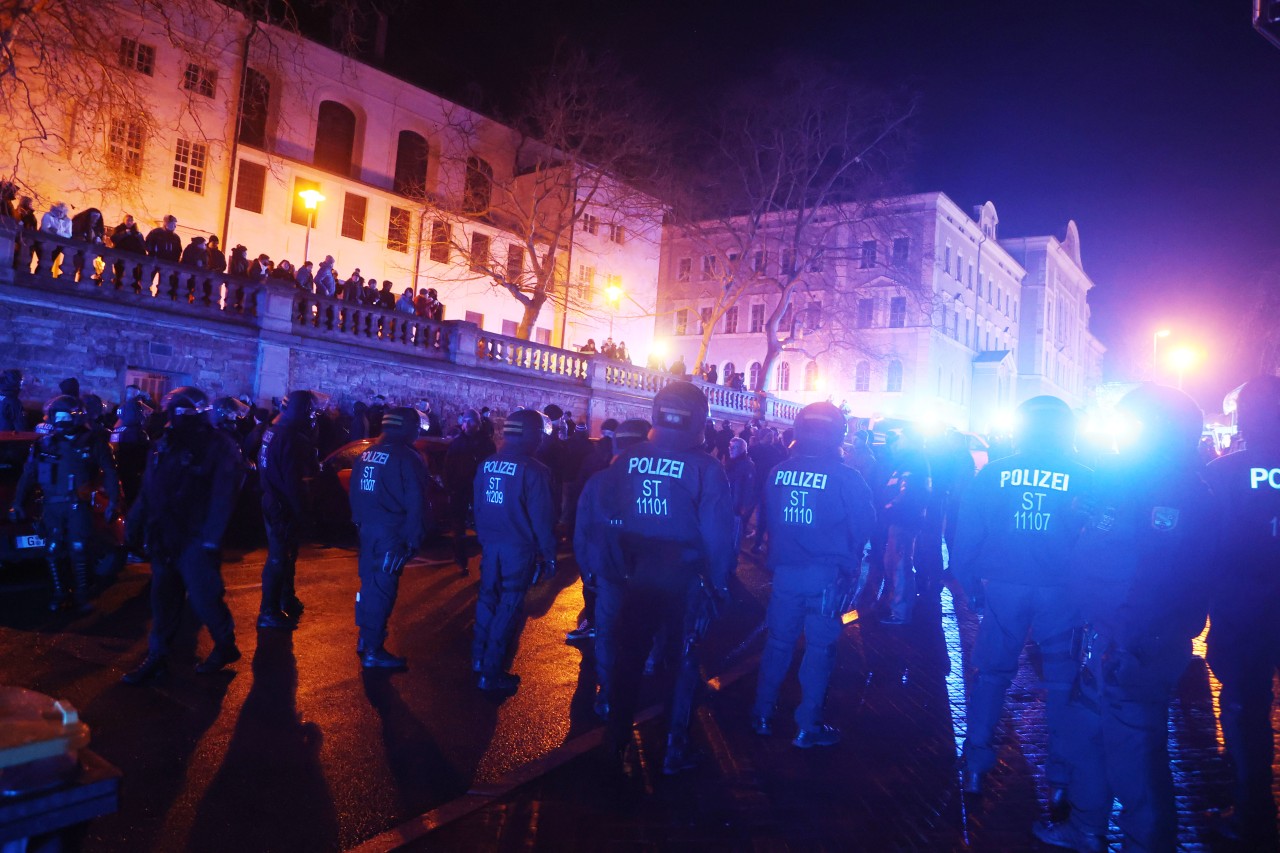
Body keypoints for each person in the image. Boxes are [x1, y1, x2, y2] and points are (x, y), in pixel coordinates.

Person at [1035, 384, 1215, 853]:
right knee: (1088, 739)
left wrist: (1133, 640)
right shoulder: (1131, 478)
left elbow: (1162, 577)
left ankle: (1147, 844)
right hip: (1104, 635)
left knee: (1135, 755)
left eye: (1131, 426)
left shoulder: (1174, 490)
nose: (1121, 436)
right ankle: (1085, 827)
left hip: (1134, 642)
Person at [582, 381, 735, 774]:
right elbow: (718, 536)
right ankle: (673, 750)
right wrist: (718, 585)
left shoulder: (629, 459)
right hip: (685, 579)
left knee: (628, 660)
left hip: (639, 575)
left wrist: (615, 566)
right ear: (699, 419)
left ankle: (613, 742)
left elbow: (609, 519)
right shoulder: (706, 467)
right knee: (680, 664)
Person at [950, 396, 1092, 807]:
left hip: (1004, 586)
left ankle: (976, 761)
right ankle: (1061, 774)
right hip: (1061, 591)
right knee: (1063, 681)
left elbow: (967, 532)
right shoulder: (1084, 476)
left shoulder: (994, 473)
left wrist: (969, 581)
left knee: (992, 674)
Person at [751, 402, 875, 747]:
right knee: (819, 650)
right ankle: (807, 725)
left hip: (785, 572)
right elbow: (866, 526)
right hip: (825, 576)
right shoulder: (846, 477)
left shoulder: (778, 471)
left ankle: (761, 714)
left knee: (777, 643)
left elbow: (769, 517)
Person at [1203, 375, 1280, 849]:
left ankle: (1254, 814)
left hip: (1243, 608)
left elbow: (1201, 545)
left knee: (1246, 709)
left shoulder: (1222, 473)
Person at [121, 387, 243, 683]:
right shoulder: (164, 445)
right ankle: (158, 656)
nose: (177, 416)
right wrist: (132, 527)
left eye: (183, 410)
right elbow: (149, 490)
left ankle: (225, 645)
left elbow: (223, 494)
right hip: (166, 535)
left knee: (205, 600)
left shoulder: (218, 445)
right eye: (174, 410)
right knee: (163, 600)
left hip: (197, 538)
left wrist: (211, 538)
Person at [471, 408, 557, 691]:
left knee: (486, 602)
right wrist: (549, 554)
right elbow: (543, 519)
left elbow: (478, 507)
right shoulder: (535, 471)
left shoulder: (486, 465)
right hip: (518, 549)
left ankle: (478, 659)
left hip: (491, 545)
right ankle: (492, 671)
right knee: (509, 607)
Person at [10, 395, 120, 611]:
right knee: (52, 549)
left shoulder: (93, 442)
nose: (61, 421)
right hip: (52, 506)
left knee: (79, 548)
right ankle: (60, 592)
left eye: (66, 416)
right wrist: (18, 503)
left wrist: (113, 502)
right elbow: (28, 476)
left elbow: (109, 473)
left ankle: (82, 593)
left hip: (77, 505)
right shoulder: (44, 444)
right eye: (57, 416)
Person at [349, 407, 433, 668]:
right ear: (406, 428)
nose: (418, 433)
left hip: (368, 531)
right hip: (391, 534)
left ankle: (365, 638)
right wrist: (413, 540)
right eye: (416, 428)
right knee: (382, 591)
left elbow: (355, 493)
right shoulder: (407, 458)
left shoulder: (366, 454)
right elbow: (418, 502)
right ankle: (374, 649)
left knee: (369, 586)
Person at [257, 389, 322, 629]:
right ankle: (269, 611)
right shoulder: (292, 438)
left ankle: (285, 598)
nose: (314, 416)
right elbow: (295, 481)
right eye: (311, 411)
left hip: (272, 499)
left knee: (285, 556)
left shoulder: (275, 430)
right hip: (283, 504)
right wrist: (304, 513)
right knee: (278, 558)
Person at [875, 428, 931, 625]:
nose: (897, 442)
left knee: (899, 565)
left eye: (902, 438)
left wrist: (887, 507)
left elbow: (906, 494)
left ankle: (900, 612)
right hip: (902, 520)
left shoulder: (912, 461)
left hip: (903, 520)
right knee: (899, 563)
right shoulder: (911, 460)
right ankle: (901, 605)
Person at [443, 409, 496, 572]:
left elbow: (490, 466)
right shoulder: (458, 442)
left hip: (479, 490)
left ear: (476, 423)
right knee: (458, 527)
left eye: (468, 422)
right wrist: (449, 487)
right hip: (460, 489)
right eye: (464, 421)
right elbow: (448, 466)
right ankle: (461, 560)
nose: (464, 425)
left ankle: (486, 563)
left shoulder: (486, 444)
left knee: (483, 526)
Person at [725, 437, 756, 553]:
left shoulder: (747, 465)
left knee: (734, 536)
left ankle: (732, 562)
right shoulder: (731, 463)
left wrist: (744, 507)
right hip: (727, 504)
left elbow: (749, 488)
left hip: (736, 507)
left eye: (734, 447)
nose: (730, 449)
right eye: (730, 446)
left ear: (743, 450)